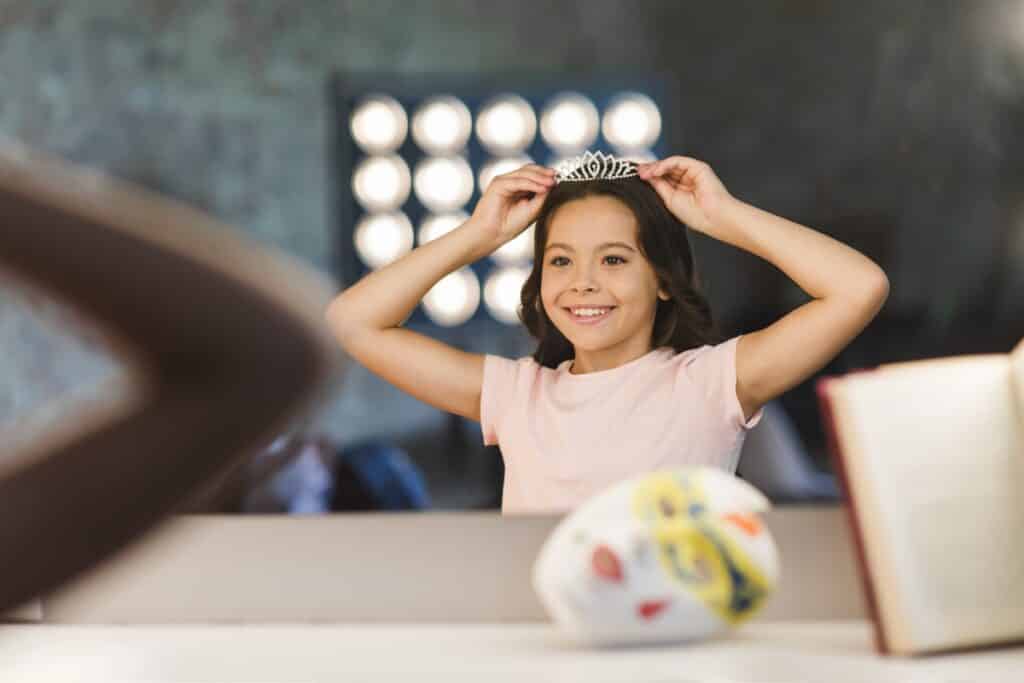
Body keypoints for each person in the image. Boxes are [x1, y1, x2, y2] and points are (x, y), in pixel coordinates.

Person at [326, 151, 889, 514]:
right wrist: (478, 235)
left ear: (663, 280)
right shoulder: (515, 395)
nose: (583, 284)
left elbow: (857, 288)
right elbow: (352, 322)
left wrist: (723, 215)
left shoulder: (712, 383)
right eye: (561, 261)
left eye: (615, 261)